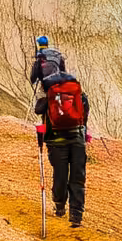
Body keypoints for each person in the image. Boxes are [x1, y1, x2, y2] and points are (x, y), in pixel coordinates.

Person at [34, 66, 91, 230]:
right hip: (77, 140)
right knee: (78, 178)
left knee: (60, 176)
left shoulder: (50, 97)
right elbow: (85, 115)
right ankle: (76, 215)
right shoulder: (80, 96)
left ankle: (59, 207)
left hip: (56, 142)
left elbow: (38, 110)